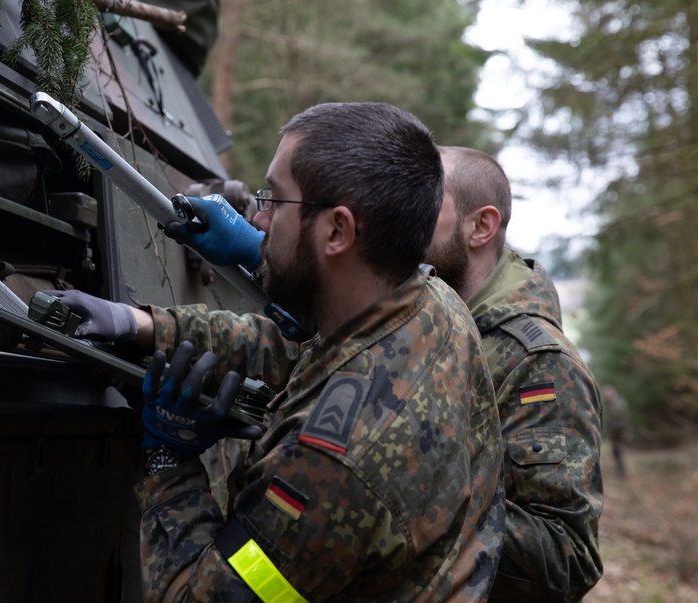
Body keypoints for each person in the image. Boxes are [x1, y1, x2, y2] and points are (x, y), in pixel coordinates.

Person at [50, 103, 506, 602]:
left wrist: (169, 462)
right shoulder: (430, 302)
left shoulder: (332, 468)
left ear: (338, 232)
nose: (259, 217)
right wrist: (142, 325)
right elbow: (303, 346)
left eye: (276, 200)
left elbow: (206, 597)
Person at [424, 146, 604, 603]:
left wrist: (419, 503)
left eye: (423, 199)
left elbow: (568, 561)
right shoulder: (424, 317)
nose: (400, 214)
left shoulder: (538, 363)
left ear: (480, 227)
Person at [601, 385, 629, 478]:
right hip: (616, 430)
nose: (605, 396)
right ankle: (619, 471)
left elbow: (619, 417)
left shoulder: (617, 402)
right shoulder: (614, 402)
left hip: (618, 431)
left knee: (618, 451)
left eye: (606, 393)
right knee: (616, 452)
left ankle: (621, 473)